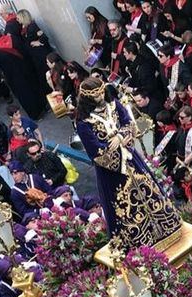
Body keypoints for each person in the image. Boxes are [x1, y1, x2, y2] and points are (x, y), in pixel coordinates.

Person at [74, 76, 181, 249]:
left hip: (131, 158)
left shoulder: (113, 104)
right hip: (112, 170)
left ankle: (166, 226)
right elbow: (95, 151)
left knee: (149, 191)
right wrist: (117, 152)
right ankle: (139, 243)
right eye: (96, 96)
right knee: (123, 204)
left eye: (102, 93)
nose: (101, 97)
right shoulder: (83, 122)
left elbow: (129, 122)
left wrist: (120, 137)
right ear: (87, 98)